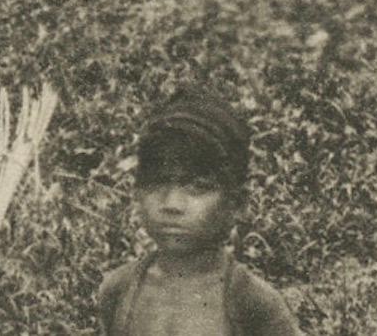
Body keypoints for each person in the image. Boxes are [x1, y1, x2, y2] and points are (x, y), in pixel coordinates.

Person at [94, 88, 297, 336]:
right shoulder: (118, 290)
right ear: (137, 190)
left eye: (198, 187)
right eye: (157, 182)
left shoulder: (251, 301)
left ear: (237, 203)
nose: (171, 204)